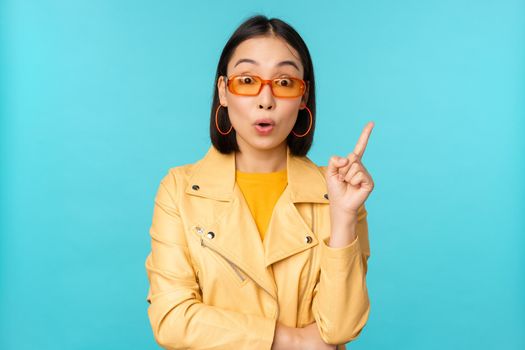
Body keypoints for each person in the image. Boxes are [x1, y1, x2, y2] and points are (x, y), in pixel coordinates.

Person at [145, 14, 375, 350]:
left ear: (302, 97)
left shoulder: (336, 194)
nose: (265, 99)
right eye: (247, 80)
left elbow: (340, 327)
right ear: (223, 91)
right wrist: (291, 340)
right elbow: (171, 318)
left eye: (284, 82)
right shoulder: (179, 190)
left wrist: (342, 217)